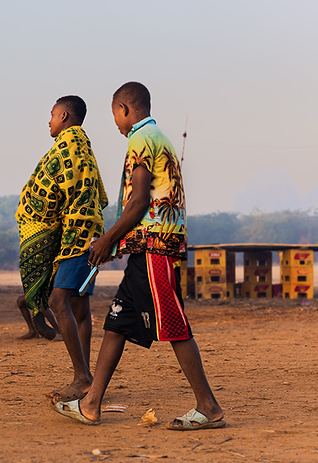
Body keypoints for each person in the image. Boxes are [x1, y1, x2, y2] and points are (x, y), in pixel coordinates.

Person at [53, 82, 225, 430]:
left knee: (173, 324)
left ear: (125, 109)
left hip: (156, 248)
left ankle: (208, 406)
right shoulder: (157, 137)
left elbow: (139, 201)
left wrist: (107, 239)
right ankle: (91, 403)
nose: (115, 122)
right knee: (116, 323)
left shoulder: (140, 139)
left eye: (115, 114)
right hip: (147, 248)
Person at [17, 95, 108, 402]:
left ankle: (82, 377)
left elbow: (47, 192)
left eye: (53, 115)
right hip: (91, 234)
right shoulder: (84, 147)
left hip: (76, 237)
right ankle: (84, 377)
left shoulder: (65, 148)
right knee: (79, 307)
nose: (49, 121)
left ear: (65, 116)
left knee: (58, 302)